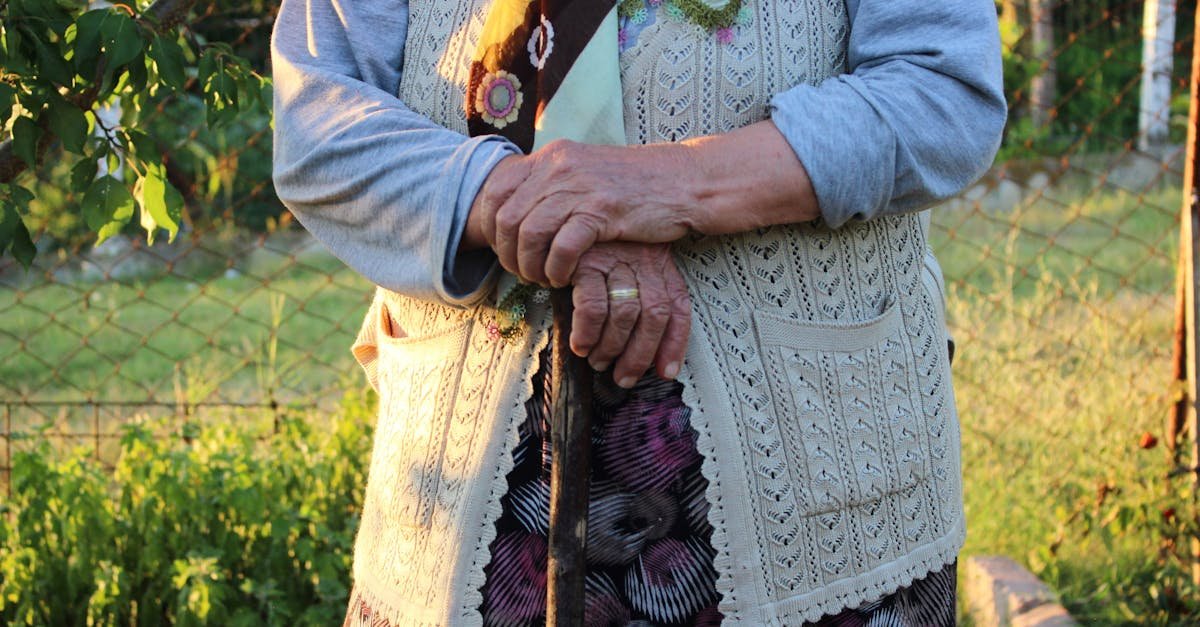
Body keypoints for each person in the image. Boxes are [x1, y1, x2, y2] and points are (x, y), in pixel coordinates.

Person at [270, 0, 1005, 624]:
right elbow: (319, 124)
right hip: (465, 517)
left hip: (821, 498)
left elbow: (942, 93)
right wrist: (535, 206)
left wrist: (665, 186)